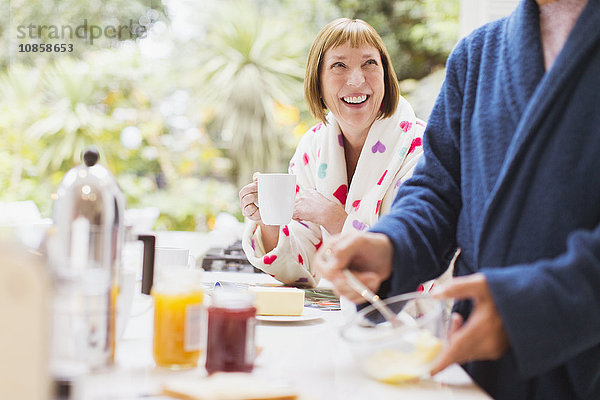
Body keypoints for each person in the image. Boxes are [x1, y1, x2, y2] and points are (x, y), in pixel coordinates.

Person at [315, 0, 600, 399]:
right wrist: (392, 244)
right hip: (472, 372)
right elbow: (437, 189)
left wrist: (529, 308)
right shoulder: (478, 55)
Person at [238, 18, 426, 287]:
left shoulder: (423, 147)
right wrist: (268, 220)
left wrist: (334, 217)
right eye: (339, 65)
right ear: (319, 83)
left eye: (369, 63)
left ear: (385, 74)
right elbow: (301, 268)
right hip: (341, 315)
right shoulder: (313, 147)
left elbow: (415, 257)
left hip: (414, 318)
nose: (356, 79)